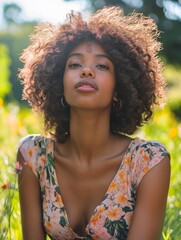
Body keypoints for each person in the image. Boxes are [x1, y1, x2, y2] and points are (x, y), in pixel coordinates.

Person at [16, 6, 170, 240]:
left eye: (102, 66)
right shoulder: (33, 156)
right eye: (75, 64)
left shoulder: (148, 163)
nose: (86, 71)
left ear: (119, 89)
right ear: (60, 83)